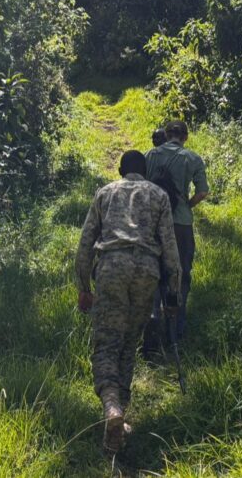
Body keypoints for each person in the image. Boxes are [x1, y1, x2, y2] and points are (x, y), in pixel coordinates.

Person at [75, 150, 181, 453]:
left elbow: (85, 243)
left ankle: (111, 408)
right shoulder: (159, 195)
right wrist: (172, 293)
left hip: (111, 269)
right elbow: (170, 248)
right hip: (146, 272)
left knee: (107, 343)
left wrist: (84, 285)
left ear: (121, 170)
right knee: (130, 341)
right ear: (144, 171)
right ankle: (120, 416)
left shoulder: (105, 193)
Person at [144, 120, 209, 347]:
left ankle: (153, 317)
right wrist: (186, 206)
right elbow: (202, 192)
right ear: (185, 137)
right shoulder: (192, 158)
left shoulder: (150, 155)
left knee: (153, 269)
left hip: (152, 222)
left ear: (166, 133)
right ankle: (177, 326)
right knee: (181, 271)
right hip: (180, 223)